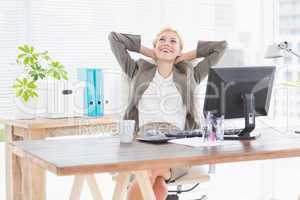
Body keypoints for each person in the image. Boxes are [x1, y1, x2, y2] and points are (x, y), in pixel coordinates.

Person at [108, 27, 227, 200]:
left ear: (180, 50)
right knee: (157, 182)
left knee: (149, 171)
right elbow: (114, 39)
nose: (167, 43)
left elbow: (221, 47)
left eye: (173, 41)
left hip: (178, 141)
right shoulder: (138, 70)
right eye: (162, 40)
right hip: (143, 140)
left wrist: (183, 57)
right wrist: (151, 52)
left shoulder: (190, 73)